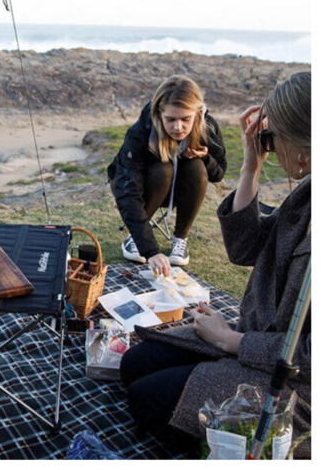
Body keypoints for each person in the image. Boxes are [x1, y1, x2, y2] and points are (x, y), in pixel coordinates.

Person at [119, 71, 311, 458]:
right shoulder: (309, 189)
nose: (269, 145)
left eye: (272, 137)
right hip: (257, 341)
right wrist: (251, 167)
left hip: (294, 383)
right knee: (134, 365)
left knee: (145, 399)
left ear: (303, 144)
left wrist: (229, 341)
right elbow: (244, 248)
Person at [108, 75, 226, 274]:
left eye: (185, 119)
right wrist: (150, 250)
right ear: (158, 113)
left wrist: (205, 157)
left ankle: (180, 239)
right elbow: (127, 188)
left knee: (196, 167)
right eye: (170, 119)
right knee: (163, 169)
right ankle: (134, 239)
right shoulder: (141, 132)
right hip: (146, 187)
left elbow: (219, 174)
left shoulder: (208, 127)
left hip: (181, 192)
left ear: (197, 113)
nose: (178, 127)